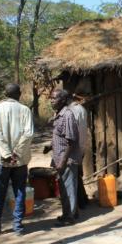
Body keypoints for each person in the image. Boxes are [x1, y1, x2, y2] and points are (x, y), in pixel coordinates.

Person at [0, 84, 34, 235]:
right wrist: (17, 153)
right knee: (20, 192)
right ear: (19, 94)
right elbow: (28, 134)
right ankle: (18, 227)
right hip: (19, 161)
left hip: (1, 159)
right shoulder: (25, 110)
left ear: (5, 94)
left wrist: (6, 154)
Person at [44, 89, 81, 226]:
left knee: (68, 188)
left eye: (55, 98)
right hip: (60, 157)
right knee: (66, 188)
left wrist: (63, 161)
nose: (52, 100)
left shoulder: (67, 115)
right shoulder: (59, 114)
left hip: (67, 159)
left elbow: (71, 141)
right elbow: (60, 136)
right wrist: (50, 146)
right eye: (51, 98)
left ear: (64, 100)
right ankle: (71, 213)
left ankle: (69, 217)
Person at [68, 95, 90, 210]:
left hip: (73, 148)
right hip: (81, 146)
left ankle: (79, 203)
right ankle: (83, 200)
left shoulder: (70, 111)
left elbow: (70, 133)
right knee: (77, 174)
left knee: (73, 176)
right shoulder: (81, 109)